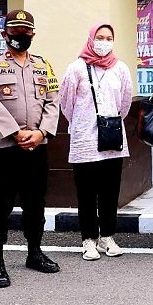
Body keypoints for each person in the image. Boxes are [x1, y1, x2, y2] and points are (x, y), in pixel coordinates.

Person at [0, 10, 61, 288]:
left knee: (35, 203)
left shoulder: (43, 65)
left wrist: (41, 133)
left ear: (33, 34)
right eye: (15, 32)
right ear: (5, 34)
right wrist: (16, 133)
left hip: (36, 146)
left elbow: (53, 100)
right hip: (4, 149)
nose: (21, 36)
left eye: (26, 32)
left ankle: (34, 252)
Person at [59, 23, 133, 261]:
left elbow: (125, 103)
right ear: (91, 39)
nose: (104, 42)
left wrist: (109, 123)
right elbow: (66, 103)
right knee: (87, 193)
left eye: (109, 38)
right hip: (84, 141)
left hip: (111, 140)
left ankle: (107, 237)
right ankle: (89, 240)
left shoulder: (120, 68)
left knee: (110, 192)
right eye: (100, 37)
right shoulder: (76, 68)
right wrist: (82, 122)